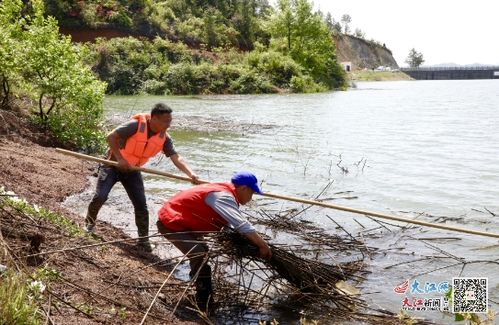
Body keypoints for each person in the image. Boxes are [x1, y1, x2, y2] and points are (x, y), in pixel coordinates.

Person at [85, 103, 199, 252]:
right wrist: (120, 159)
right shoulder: (134, 126)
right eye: (166, 121)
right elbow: (111, 137)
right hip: (112, 166)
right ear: (154, 119)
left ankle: (143, 241)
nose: (168, 125)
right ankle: (89, 224)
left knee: (141, 206)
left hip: (132, 171)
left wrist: (191, 174)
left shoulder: (164, 138)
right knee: (101, 196)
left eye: (170, 121)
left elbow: (176, 157)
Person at [156, 171, 271, 311]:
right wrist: (262, 245)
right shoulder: (223, 196)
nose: (251, 197)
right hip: (171, 223)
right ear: (243, 189)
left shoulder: (225, 191)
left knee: (202, 253)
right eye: (252, 193)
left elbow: (228, 225)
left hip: (185, 224)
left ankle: (199, 289)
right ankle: (203, 302)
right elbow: (242, 225)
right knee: (200, 255)